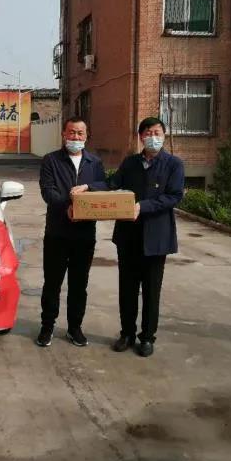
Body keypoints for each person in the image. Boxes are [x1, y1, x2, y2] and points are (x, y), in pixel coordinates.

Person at [108, 117, 184, 357]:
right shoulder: (130, 163)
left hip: (156, 237)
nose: (153, 137)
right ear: (140, 137)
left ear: (164, 135)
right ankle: (127, 334)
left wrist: (143, 206)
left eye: (157, 132)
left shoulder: (173, 164)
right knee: (127, 289)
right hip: (128, 236)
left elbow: (174, 196)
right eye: (148, 133)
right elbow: (112, 183)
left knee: (152, 291)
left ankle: (147, 337)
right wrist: (88, 188)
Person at [37, 116, 107, 347]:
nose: (75, 137)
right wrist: (68, 206)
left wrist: (89, 187)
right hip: (57, 232)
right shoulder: (51, 160)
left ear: (86, 136)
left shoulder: (94, 162)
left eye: (80, 133)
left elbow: (104, 185)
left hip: (84, 234)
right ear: (63, 134)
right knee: (52, 283)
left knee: (79, 285)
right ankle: (47, 327)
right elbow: (48, 190)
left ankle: (74, 328)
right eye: (71, 132)